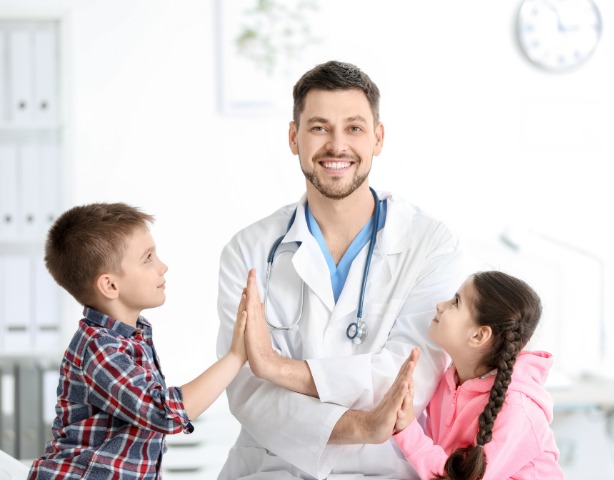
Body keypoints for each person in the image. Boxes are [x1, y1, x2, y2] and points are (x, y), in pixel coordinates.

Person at [215, 60, 466, 478]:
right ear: (294, 138)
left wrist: (276, 366)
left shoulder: (431, 244)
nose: (337, 145)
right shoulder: (249, 250)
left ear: (377, 138)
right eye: (318, 128)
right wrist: (364, 424)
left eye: (353, 128)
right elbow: (248, 391)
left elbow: (409, 382)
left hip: (387, 468)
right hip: (273, 469)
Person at [28, 202, 248, 480]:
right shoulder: (99, 348)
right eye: (148, 258)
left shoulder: (132, 336)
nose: (163, 266)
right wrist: (235, 356)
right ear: (110, 286)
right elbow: (164, 413)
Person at [342, 270, 566, 479]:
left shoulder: (517, 409)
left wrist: (408, 430)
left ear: (479, 336)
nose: (440, 306)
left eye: (455, 302)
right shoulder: (450, 378)